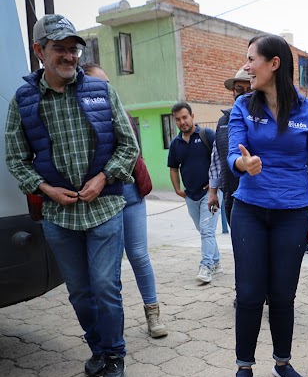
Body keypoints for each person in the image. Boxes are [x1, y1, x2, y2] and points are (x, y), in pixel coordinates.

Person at [5, 14, 139, 377]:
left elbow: (129, 145)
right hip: (58, 214)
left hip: (104, 207)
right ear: (39, 51)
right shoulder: (25, 99)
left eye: (72, 49)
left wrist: (103, 177)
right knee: (79, 291)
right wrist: (45, 189)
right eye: (59, 48)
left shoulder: (100, 90)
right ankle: (97, 347)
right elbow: (15, 157)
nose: (69, 56)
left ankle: (114, 354)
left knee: (104, 286)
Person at [228, 33, 308, 377]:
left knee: (283, 294)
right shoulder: (243, 105)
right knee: (250, 292)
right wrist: (243, 163)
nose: (247, 66)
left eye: (252, 59)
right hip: (250, 211)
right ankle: (244, 367)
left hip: (293, 213)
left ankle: (283, 362)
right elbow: (231, 154)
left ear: (275, 64)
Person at [82, 63, 167, 338]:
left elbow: (131, 151)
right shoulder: (76, 117)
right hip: (100, 201)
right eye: (98, 83)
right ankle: (111, 325)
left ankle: (153, 313)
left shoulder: (121, 113)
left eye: (108, 83)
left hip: (129, 195)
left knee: (139, 255)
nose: (106, 89)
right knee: (108, 265)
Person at [167, 102, 219, 284]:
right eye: (178, 119)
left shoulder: (207, 135)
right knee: (204, 231)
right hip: (190, 195)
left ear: (192, 116)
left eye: (184, 117)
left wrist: (216, 187)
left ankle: (206, 267)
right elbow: (173, 168)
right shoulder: (176, 143)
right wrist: (177, 189)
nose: (182, 122)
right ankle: (216, 261)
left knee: (206, 230)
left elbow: (220, 159)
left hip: (210, 194)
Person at [208, 66, 251, 226]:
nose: (244, 94)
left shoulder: (265, 119)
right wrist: (213, 191)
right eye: (239, 89)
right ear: (233, 91)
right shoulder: (224, 122)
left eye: (249, 89)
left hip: (258, 195)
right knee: (239, 246)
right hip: (231, 193)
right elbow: (216, 158)